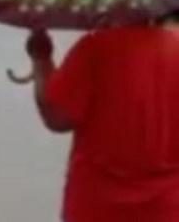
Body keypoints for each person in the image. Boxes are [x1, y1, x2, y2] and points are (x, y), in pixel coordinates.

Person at [27, 16, 179, 222]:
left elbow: (57, 118)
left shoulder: (94, 48)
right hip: (167, 209)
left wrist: (41, 59)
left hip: (94, 208)